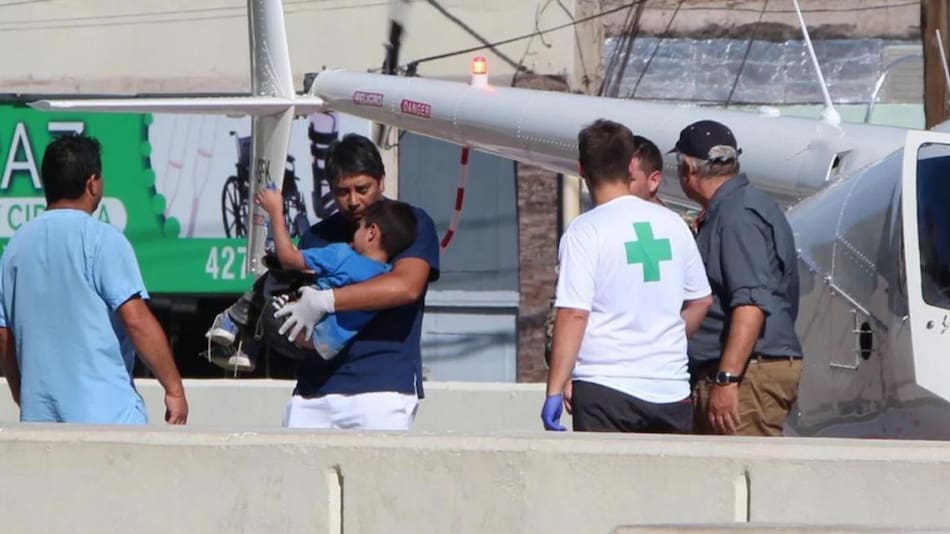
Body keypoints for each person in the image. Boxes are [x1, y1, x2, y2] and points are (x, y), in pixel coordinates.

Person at [0, 134, 188, 424]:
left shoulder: (15, 247)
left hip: (40, 424)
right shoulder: (103, 239)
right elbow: (136, 320)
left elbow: (5, 336)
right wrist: (173, 389)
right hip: (109, 421)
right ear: (93, 184)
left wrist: (23, 394)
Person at [542, 119, 712, 433]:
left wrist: (555, 388)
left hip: (605, 389)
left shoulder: (585, 230)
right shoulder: (673, 224)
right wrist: (664, 341)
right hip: (671, 389)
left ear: (581, 168)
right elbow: (701, 300)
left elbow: (574, 314)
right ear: (631, 165)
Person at [271, 133, 440, 430]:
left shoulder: (408, 224)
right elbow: (298, 307)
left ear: (382, 181)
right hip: (313, 392)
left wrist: (326, 300)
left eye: (362, 188)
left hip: (383, 387)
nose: (353, 201)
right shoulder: (317, 236)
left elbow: (406, 286)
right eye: (342, 192)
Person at [671, 119, 803, 436]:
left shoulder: (736, 218)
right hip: (746, 370)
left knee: (743, 478)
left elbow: (750, 304)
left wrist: (727, 379)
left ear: (687, 167)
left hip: (746, 375)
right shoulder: (738, 208)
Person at [203, 190, 417, 370]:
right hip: (320, 348)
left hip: (288, 328)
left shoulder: (342, 255)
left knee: (273, 277)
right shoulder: (385, 277)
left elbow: (288, 258)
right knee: (306, 280)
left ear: (371, 233)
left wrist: (276, 212)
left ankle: (235, 325)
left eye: (360, 228)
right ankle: (247, 343)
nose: (354, 235)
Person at [544, 134, 669, 367]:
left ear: (653, 181)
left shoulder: (675, 231)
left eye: (627, 179)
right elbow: (569, 311)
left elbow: (698, 303)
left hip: (663, 375)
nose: (617, 185)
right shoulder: (593, 230)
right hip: (603, 372)